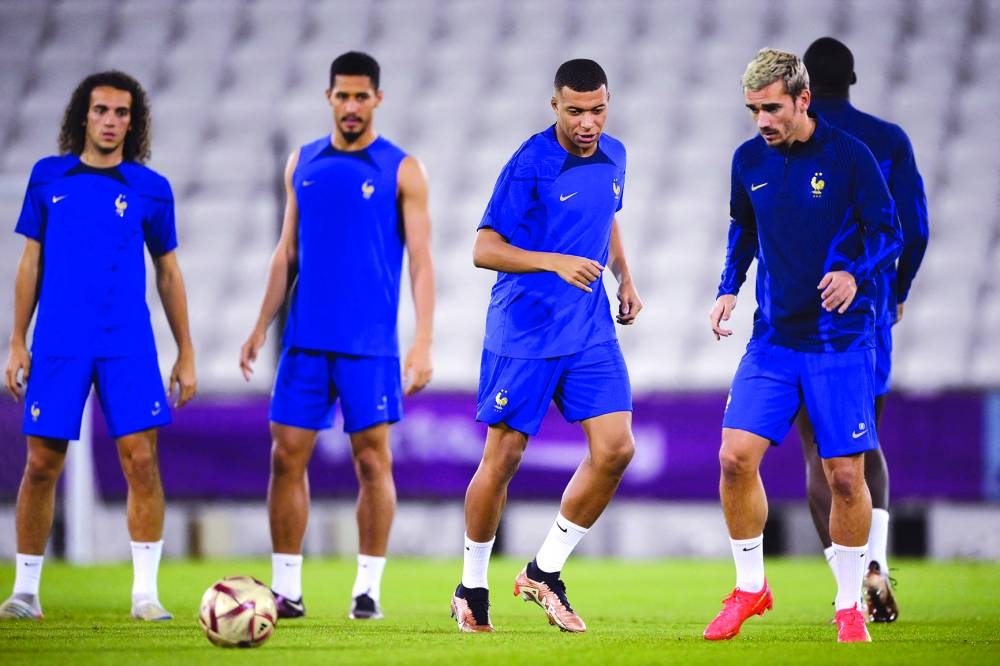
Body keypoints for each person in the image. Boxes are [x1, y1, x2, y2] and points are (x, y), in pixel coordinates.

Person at [705, 48, 901, 643]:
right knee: (734, 457)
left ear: (803, 99)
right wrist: (728, 287)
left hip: (840, 342)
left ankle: (848, 604)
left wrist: (854, 274)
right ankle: (750, 588)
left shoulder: (849, 157)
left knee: (843, 476)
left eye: (772, 108)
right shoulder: (747, 160)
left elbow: (889, 231)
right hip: (774, 339)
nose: (762, 120)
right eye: (753, 110)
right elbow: (744, 228)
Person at [239, 51, 434, 622]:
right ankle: (287, 591)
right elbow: (286, 252)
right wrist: (259, 326)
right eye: (342, 95)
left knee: (372, 462)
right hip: (304, 340)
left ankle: (367, 589)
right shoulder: (302, 162)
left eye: (360, 96)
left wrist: (423, 341)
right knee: (285, 456)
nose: (351, 105)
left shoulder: (402, 169)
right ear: (329, 97)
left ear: (377, 99)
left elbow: (422, 262)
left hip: (370, 344)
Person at [449, 58, 641, 634]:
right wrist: (553, 262)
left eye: (597, 110)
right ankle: (471, 587)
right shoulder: (530, 164)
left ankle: (544, 572)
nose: (587, 123)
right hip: (525, 331)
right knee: (503, 459)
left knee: (616, 450)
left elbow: (606, 216)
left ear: (608, 103)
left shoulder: (616, 155)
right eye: (575, 111)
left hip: (589, 329)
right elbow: (484, 248)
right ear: (555, 105)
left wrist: (624, 278)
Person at [1, 71, 197, 621]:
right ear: (82, 116)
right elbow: (30, 264)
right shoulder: (48, 178)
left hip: (127, 343)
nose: (111, 121)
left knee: (141, 460)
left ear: (133, 122)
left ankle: (145, 595)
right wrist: (16, 341)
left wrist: (185, 351)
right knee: (42, 463)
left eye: (121, 112)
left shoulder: (150, 188)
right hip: (59, 341)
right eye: (101, 110)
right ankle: (26, 592)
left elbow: (168, 272)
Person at [795, 36, 929, 623]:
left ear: (802, 87)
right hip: (867, 308)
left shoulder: (791, 139)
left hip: (800, 309)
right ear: (852, 79)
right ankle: (875, 563)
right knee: (862, 440)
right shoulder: (888, 140)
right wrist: (896, 290)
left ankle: (847, 582)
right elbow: (913, 229)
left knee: (815, 452)